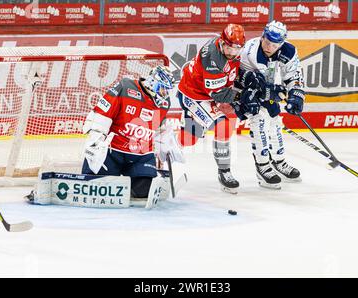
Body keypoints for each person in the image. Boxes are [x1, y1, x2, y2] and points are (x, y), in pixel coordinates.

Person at [81, 65, 182, 200]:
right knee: (98, 188)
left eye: (167, 90)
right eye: (163, 88)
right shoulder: (126, 87)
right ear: (153, 81)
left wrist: (164, 139)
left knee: (145, 191)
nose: (165, 93)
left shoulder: (164, 103)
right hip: (112, 151)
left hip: (140, 155)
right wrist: (95, 139)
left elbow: (157, 127)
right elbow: (102, 113)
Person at [177, 23, 245, 194]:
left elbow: (235, 76)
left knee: (194, 136)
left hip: (207, 94)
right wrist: (243, 97)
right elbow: (219, 95)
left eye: (236, 48)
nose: (232, 51)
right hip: (193, 95)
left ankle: (224, 171)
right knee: (197, 136)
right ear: (222, 42)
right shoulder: (213, 56)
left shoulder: (234, 53)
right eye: (228, 47)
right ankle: (163, 147)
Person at [236, 20, 305, 189]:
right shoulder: (249, 51)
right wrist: (268, 91)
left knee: (275, 122)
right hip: (246, 92)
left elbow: (294, 75)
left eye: (274, 45)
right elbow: (238, 78)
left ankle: (278, 161)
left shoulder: (289, 51)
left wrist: (296, 95)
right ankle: (262, 166)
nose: (269, 47)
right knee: (259, 120)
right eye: (267, 42)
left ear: (281, 44)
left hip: (268, 88)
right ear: (262, 37)